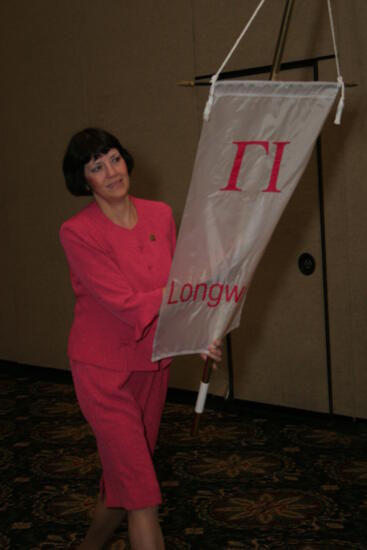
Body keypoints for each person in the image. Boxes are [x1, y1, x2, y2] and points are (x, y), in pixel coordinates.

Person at [60, 128, 222, 550]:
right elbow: (129, 304)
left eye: (114, 158)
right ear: (84, 181)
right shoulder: (78, 232)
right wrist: (192, 292)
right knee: (142, 496)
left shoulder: (160, 215)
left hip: (152, 366)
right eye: (96, 167)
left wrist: (199, 334)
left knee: (124, 484)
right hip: (103, 374)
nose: (111, 171)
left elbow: (174, 288)